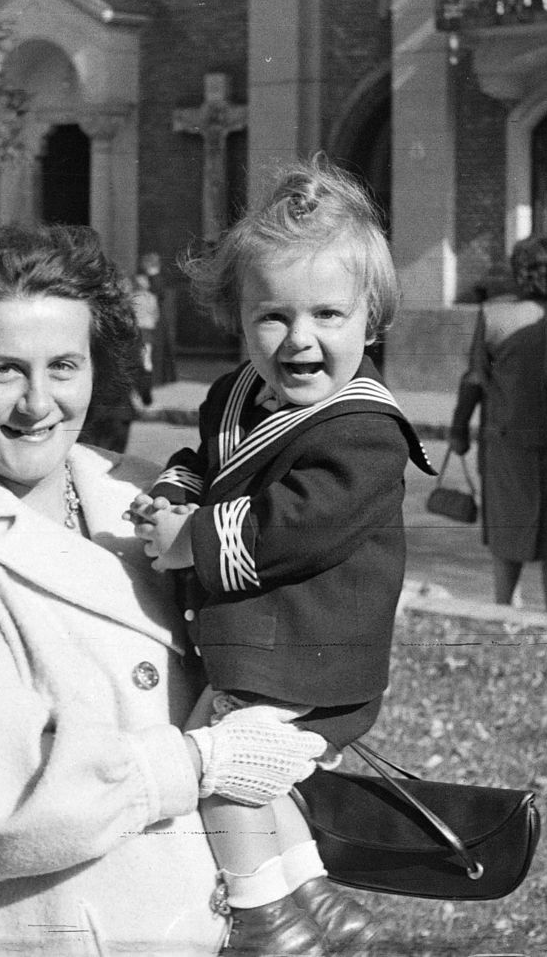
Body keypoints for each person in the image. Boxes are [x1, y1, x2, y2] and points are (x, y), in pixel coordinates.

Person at [0, 224, 328, 956]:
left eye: (64, 366)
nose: (38, 403)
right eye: (4, 370)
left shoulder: (142, 495)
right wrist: (206, 759)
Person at [131, 160, 436, 956]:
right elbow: (208, 460)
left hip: (311, 656)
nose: (300, 339)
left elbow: (291, 525)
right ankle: (317, 901)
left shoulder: (363, 431)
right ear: (240, 318)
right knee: (268, 788)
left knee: (225, 780)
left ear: (371, 322)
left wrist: (193, 541)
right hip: (270, 648)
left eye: (328, 315)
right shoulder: (236, 394)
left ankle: (268, 926)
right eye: (272, 317)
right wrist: (173, 490)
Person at [448, 233, 547, 610]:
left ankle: (504, 607)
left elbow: (475, 378)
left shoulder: (495, 313)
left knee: (506, 532)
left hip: (505, 441)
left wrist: (459, 429)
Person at [140, 250, 180, 387]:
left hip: (154, 316)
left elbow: (156, 296)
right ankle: (161, 378)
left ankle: (157, 379)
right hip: (156, 316)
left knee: (156, 348)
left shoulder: (154, 279)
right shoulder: (155, 278)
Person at [130, 271, 161, 406]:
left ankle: (140, 391)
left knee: (136, 361)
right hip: (146, 330)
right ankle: (146, 392)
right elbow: (156, 316)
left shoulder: (132, 298)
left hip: (137, 331)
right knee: (146, 362)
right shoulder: (151, 298)